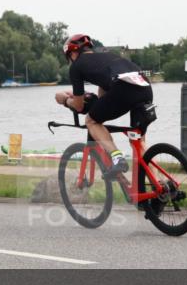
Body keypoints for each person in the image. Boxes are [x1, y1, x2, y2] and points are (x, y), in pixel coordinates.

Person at [54, 34, 153, 178]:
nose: (70, 61)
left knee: (91, 121)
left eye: (69, 58)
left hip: (123, 89)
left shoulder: (77, 66)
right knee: (138, 142)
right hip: (145, 88)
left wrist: (64, 100)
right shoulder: (108, 57)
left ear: (73, 53)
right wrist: (94, 102)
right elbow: (103, 94)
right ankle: (162, 187)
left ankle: (117, 158)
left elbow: (79, 106)